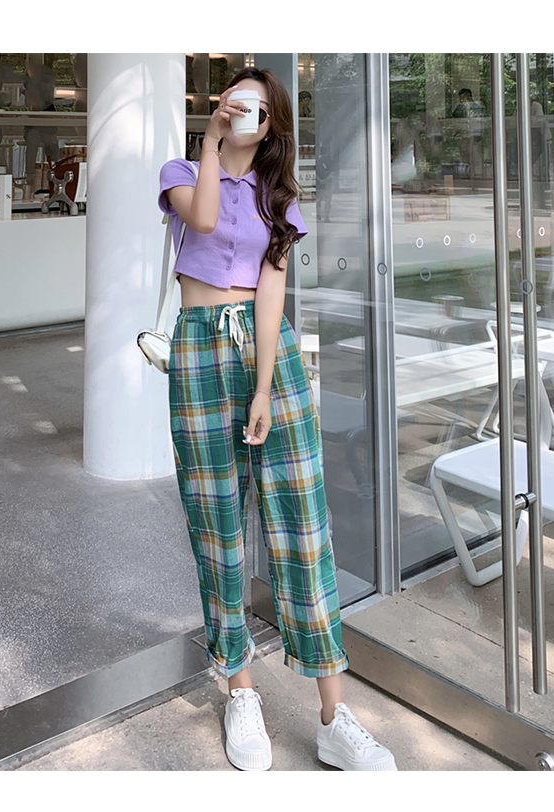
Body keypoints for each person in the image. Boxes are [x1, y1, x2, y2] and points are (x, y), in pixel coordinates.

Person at [158, 66, 397, 772]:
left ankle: (333, 715)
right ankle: (240, 688)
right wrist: (209, 142)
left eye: (259, 110)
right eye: (237, 102)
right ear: (222, 108)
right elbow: (203, 219)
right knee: (217, 522)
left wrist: (265, 386)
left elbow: (271, 294)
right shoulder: (181, 172)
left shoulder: (279, 199)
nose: (246, 115)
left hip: (271, 354)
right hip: (200, 349)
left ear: (272, 126)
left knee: (302, 521)